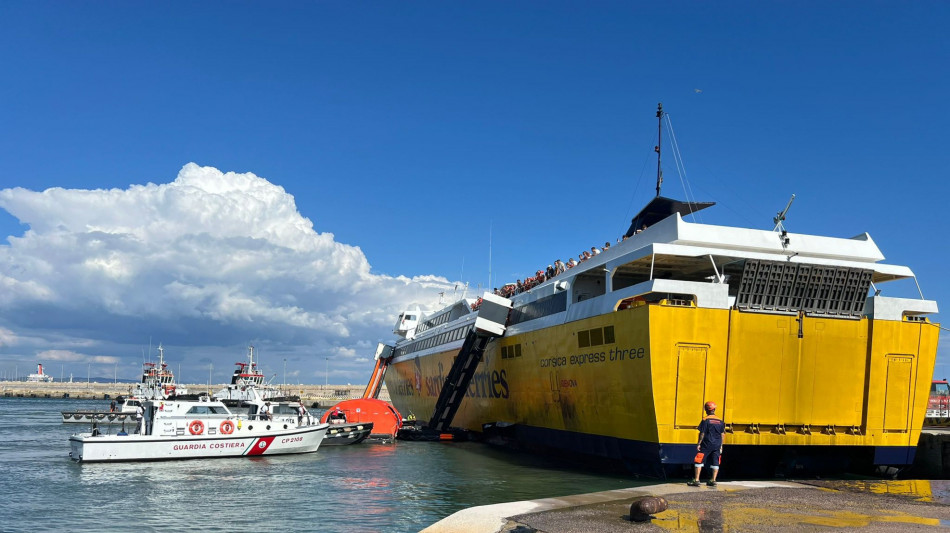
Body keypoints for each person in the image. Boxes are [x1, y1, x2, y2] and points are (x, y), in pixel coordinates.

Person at [688, 401, 724, 487]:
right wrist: (721, 445)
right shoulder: (720, 421)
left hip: (706, 444)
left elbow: (702, 433)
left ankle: (696, 480)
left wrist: (699, 443)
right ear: (714, 409)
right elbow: (722, 434)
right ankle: (713, 480)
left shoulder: (705, 420)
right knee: (715, 461)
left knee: (699, 460)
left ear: (706, 410)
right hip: (717, 444)